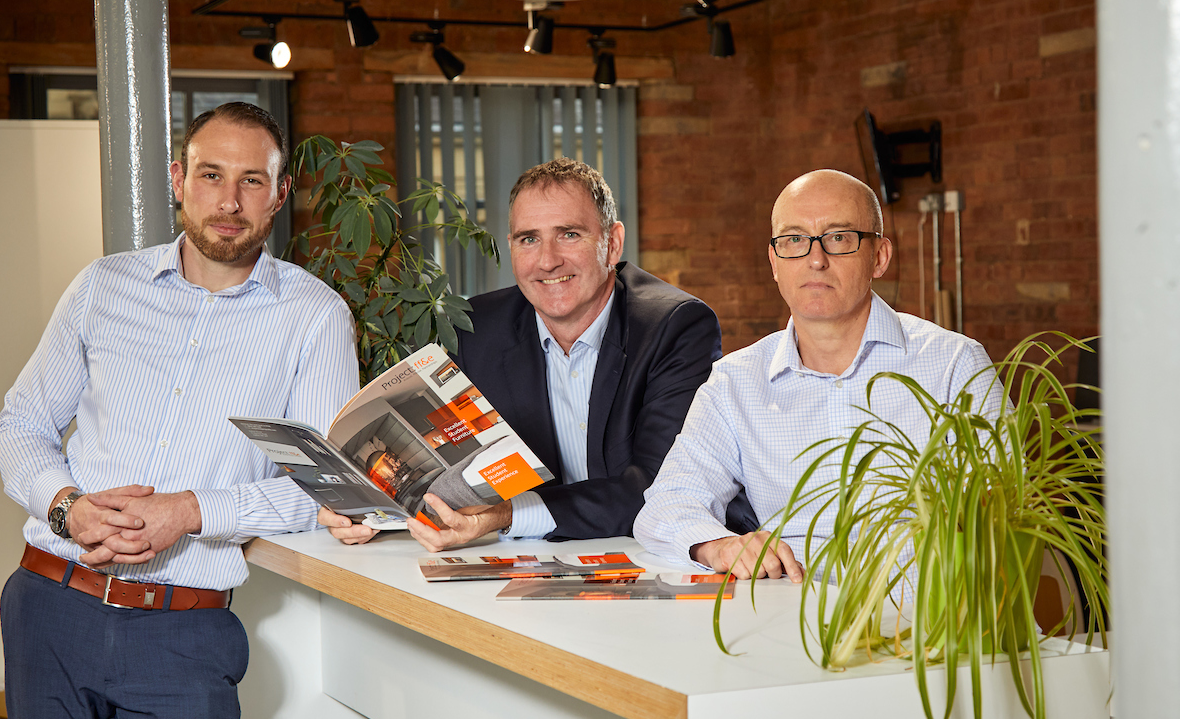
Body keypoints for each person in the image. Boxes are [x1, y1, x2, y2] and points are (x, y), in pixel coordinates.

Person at [0, 102, 358, 719]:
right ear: (177, 179)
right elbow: (20, 423)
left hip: (183, 634)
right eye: (211, 174)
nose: (229, 200)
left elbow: (328, 486)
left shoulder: (314, 316)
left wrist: (190, 511)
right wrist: (67, 507)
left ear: (280, 194)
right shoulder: (102, 286)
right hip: (49, 608)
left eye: (251, 180)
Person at [321, 157, 723, 550]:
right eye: (528, 239)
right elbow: (449, 466)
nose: (547, 261)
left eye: (569, 234)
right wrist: (368, 510)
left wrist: (507, 515)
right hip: (524, 558)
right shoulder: (477, 327)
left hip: (650, 558)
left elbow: (660, 488)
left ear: (612, 243)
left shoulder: (674, 327)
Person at [634, 169, 998, 580]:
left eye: (839, 238)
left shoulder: (954, 364)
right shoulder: (735, 382)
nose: (815, 259)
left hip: (927, 620)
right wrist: (718, 546)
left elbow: (1004, 510)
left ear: (879, 257)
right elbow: (666, 505)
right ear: (774, 262)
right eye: (794, 240)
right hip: (789, 619)